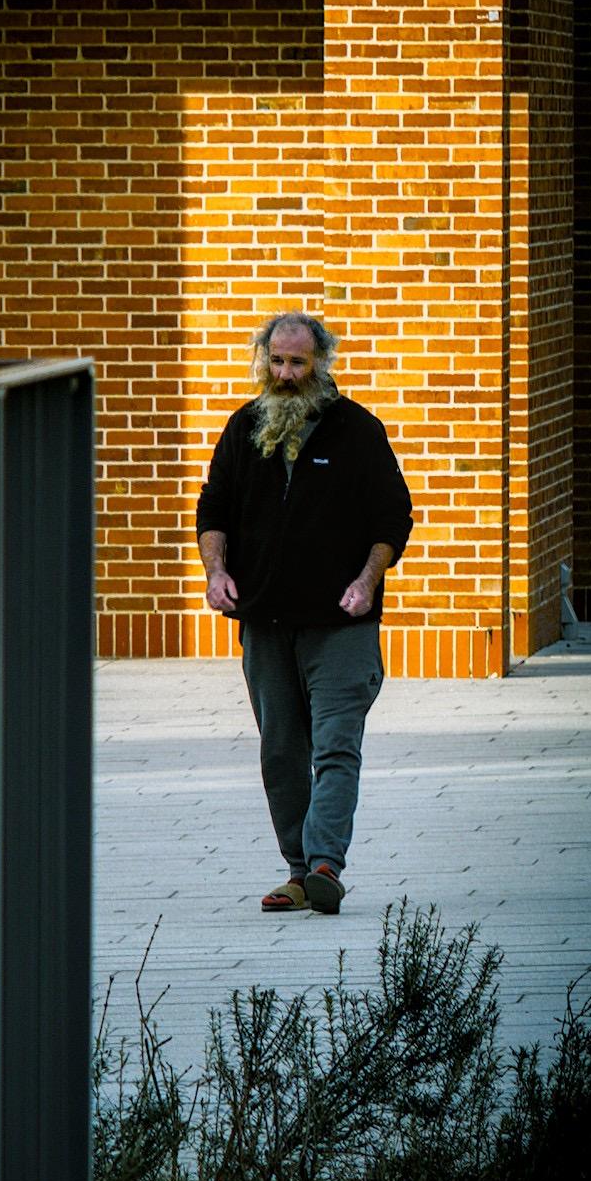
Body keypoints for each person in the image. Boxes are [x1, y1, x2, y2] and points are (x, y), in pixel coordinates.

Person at [196, 312, 413, 915]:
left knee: (336, 746)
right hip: (265, 625)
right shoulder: (243, 429)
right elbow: (212, 509)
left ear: (321, 363)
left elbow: (395, 518)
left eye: (298, 362)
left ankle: (324, 864)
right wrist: (217, 572)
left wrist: (368, 581)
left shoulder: (358, 431)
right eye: (277, 361)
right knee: (282, 754)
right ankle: (300, 872)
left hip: (341, 625)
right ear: (264, 361)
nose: (286, 374)